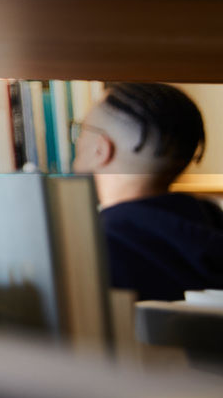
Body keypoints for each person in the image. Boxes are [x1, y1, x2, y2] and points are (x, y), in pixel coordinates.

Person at [71, 82, 223, 300]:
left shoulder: (91, 250)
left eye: (81, 131)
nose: (77, 141)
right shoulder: (212, 225)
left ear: (100, 149)